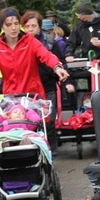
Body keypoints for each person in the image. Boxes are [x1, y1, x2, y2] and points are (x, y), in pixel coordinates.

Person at [0, 7, 70, 105]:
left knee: (37, 119)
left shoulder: (30, 41)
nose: (13, 28)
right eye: (8, 24)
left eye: (16, 23)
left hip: (33, 97)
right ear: (2, 26)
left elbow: (47, 55)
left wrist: (57, 67)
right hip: (11, 98)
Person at [21, 10, 68, 157]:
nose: (30, 29)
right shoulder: (19, 43)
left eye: (33, 26)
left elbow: (60, 61)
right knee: (28, 121)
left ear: (39, 27)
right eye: (27, 26)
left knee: (48, 119)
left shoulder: (49, 41)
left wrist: (60, 73)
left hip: (47, 85)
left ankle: (51, 148)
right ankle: (32, 150)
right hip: (27, 89)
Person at [64, 0, 100, 73]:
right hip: (87, 63)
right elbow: (71, 42)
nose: (78, 17)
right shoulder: (79, 26)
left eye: (79, 14)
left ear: (86, 13)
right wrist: (69, 54)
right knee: (84, 83)